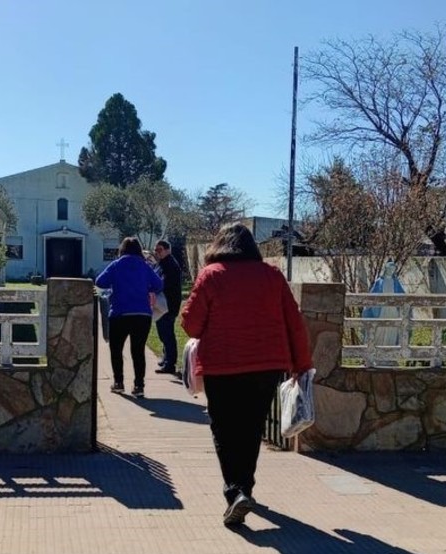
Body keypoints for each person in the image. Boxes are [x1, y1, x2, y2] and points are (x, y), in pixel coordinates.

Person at [181, 223, 313, 527]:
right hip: (266, 366)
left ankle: (235, 492)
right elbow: (295, 322)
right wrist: (302, 364)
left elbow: (191, 326)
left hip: (221, 367)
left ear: (219, 245)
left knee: (225, 431)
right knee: (251, 430)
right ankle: (245, 489)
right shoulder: (272, 276)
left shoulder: (211, 275)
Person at [95, 237, 164, 398]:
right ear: (139, 250)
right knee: (138, 351)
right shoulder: (145, 266)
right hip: (142, 314)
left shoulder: (117, 264)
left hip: (120, 313)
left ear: (122, 249)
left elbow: (100, 281)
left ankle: (118, 382)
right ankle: (139, 385)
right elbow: (159, 285)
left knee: (116, 349)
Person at [152, 239, 183, 374]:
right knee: (163, 332)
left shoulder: (170, 265)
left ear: (167, 250)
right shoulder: (162, 263)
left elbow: (164, 284)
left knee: (167, 334)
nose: (157, 253)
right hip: (163, 304)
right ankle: (166, 358)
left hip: (168, 305)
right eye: (156, 250)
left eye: (159, 250)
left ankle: (170, 363)